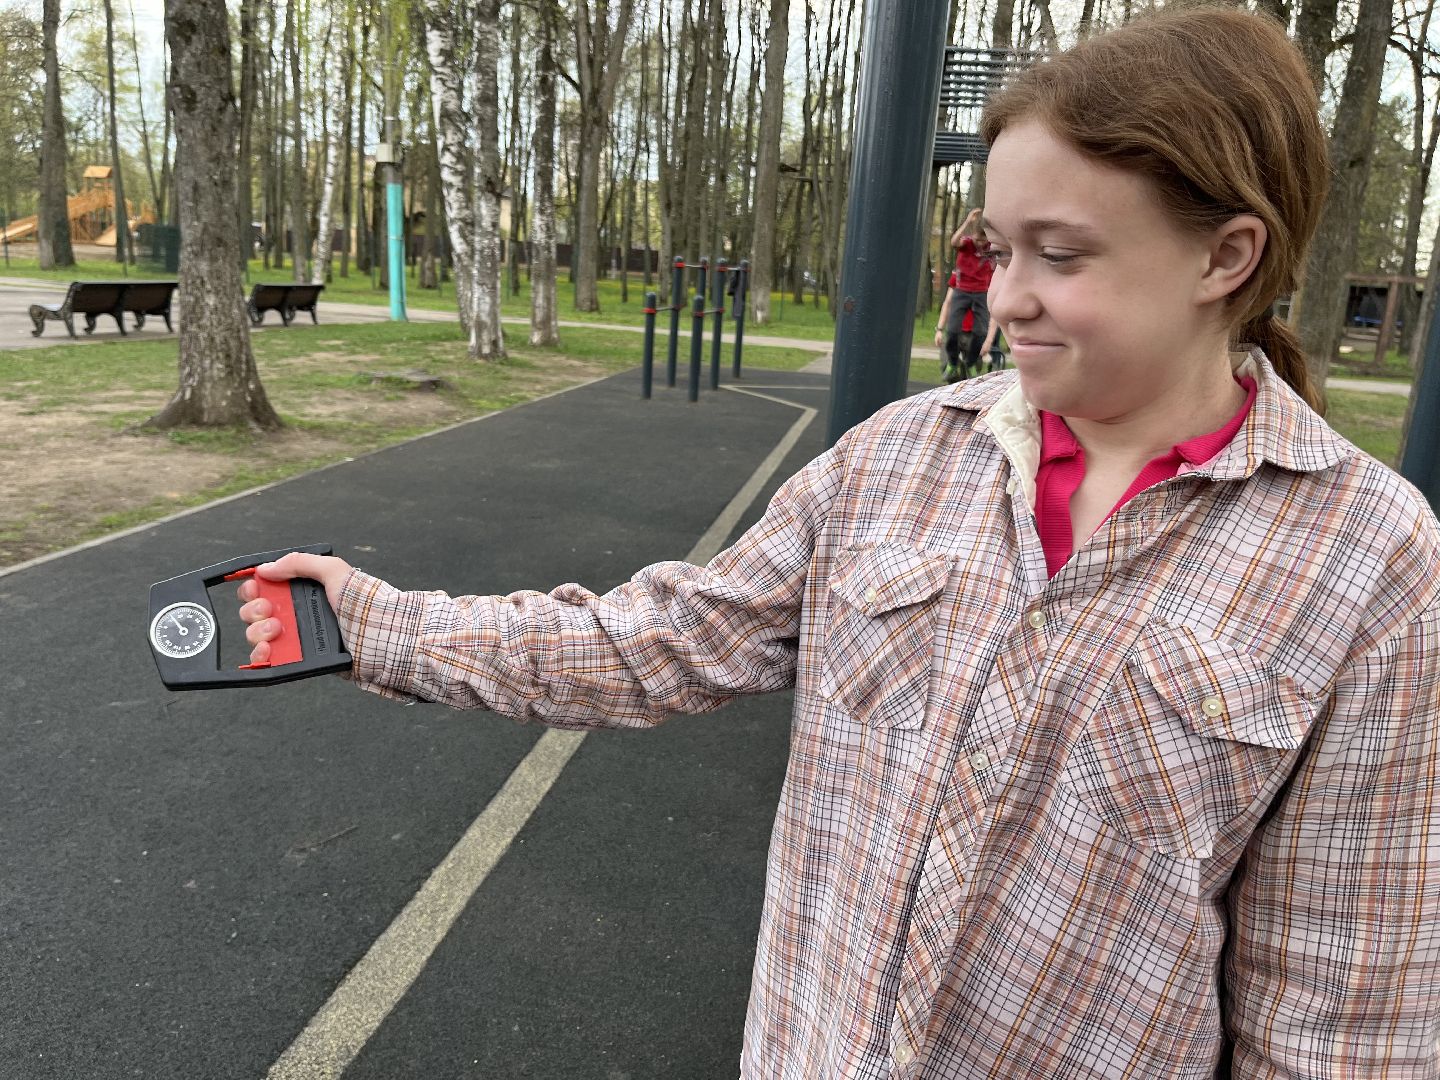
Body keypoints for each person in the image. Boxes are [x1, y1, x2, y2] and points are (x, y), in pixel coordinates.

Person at [240, 8, 1440, 1076]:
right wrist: (380, 618)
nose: (1002, 294)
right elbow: (665, 639)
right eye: (998, 247)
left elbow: (1344, 999)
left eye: (1061, 255)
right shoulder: (902, 458)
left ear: (1225, 257)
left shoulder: (1368, 560)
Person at [933, 207, 994, 381]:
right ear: (972, 235)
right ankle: (952, 362)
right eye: (977, 238)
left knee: (981, 332)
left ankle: (970, 362)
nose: (980, 243)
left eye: (983, 239)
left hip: (981, 292)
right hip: (962, 290)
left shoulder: (990, 248)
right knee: (952, 331)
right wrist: (968, 222)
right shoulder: (966, 244)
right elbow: (953, 242)